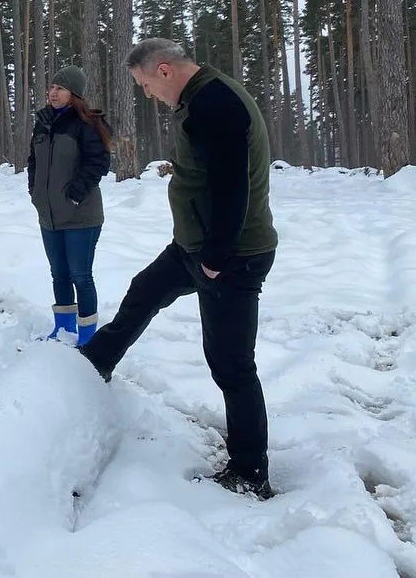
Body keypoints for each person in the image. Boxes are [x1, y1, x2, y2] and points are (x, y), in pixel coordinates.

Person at [78, 38, 278, 500]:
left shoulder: (215, 104)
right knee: (146, 289)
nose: (148, 94)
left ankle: (251, 473)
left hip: (231, 256)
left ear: (164, 70)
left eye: (145, 84)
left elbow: (233, 188)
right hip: (196, 246)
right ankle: (96, 362)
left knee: (231, 364)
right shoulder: (201, 98)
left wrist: (215, 257)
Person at [27, 65, 111, 346]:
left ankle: (88, 337)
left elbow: (97, 163)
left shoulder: (87, 123)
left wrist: (74, 194)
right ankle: (63, 331)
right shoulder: (43, 122)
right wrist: (35, 192)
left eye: (60, 88)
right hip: (49, 215)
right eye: (51, 87)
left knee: (81, 276)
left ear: (74, 93)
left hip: (80, 216)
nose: (53, 92)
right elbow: (34, 163)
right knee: (59, 274)